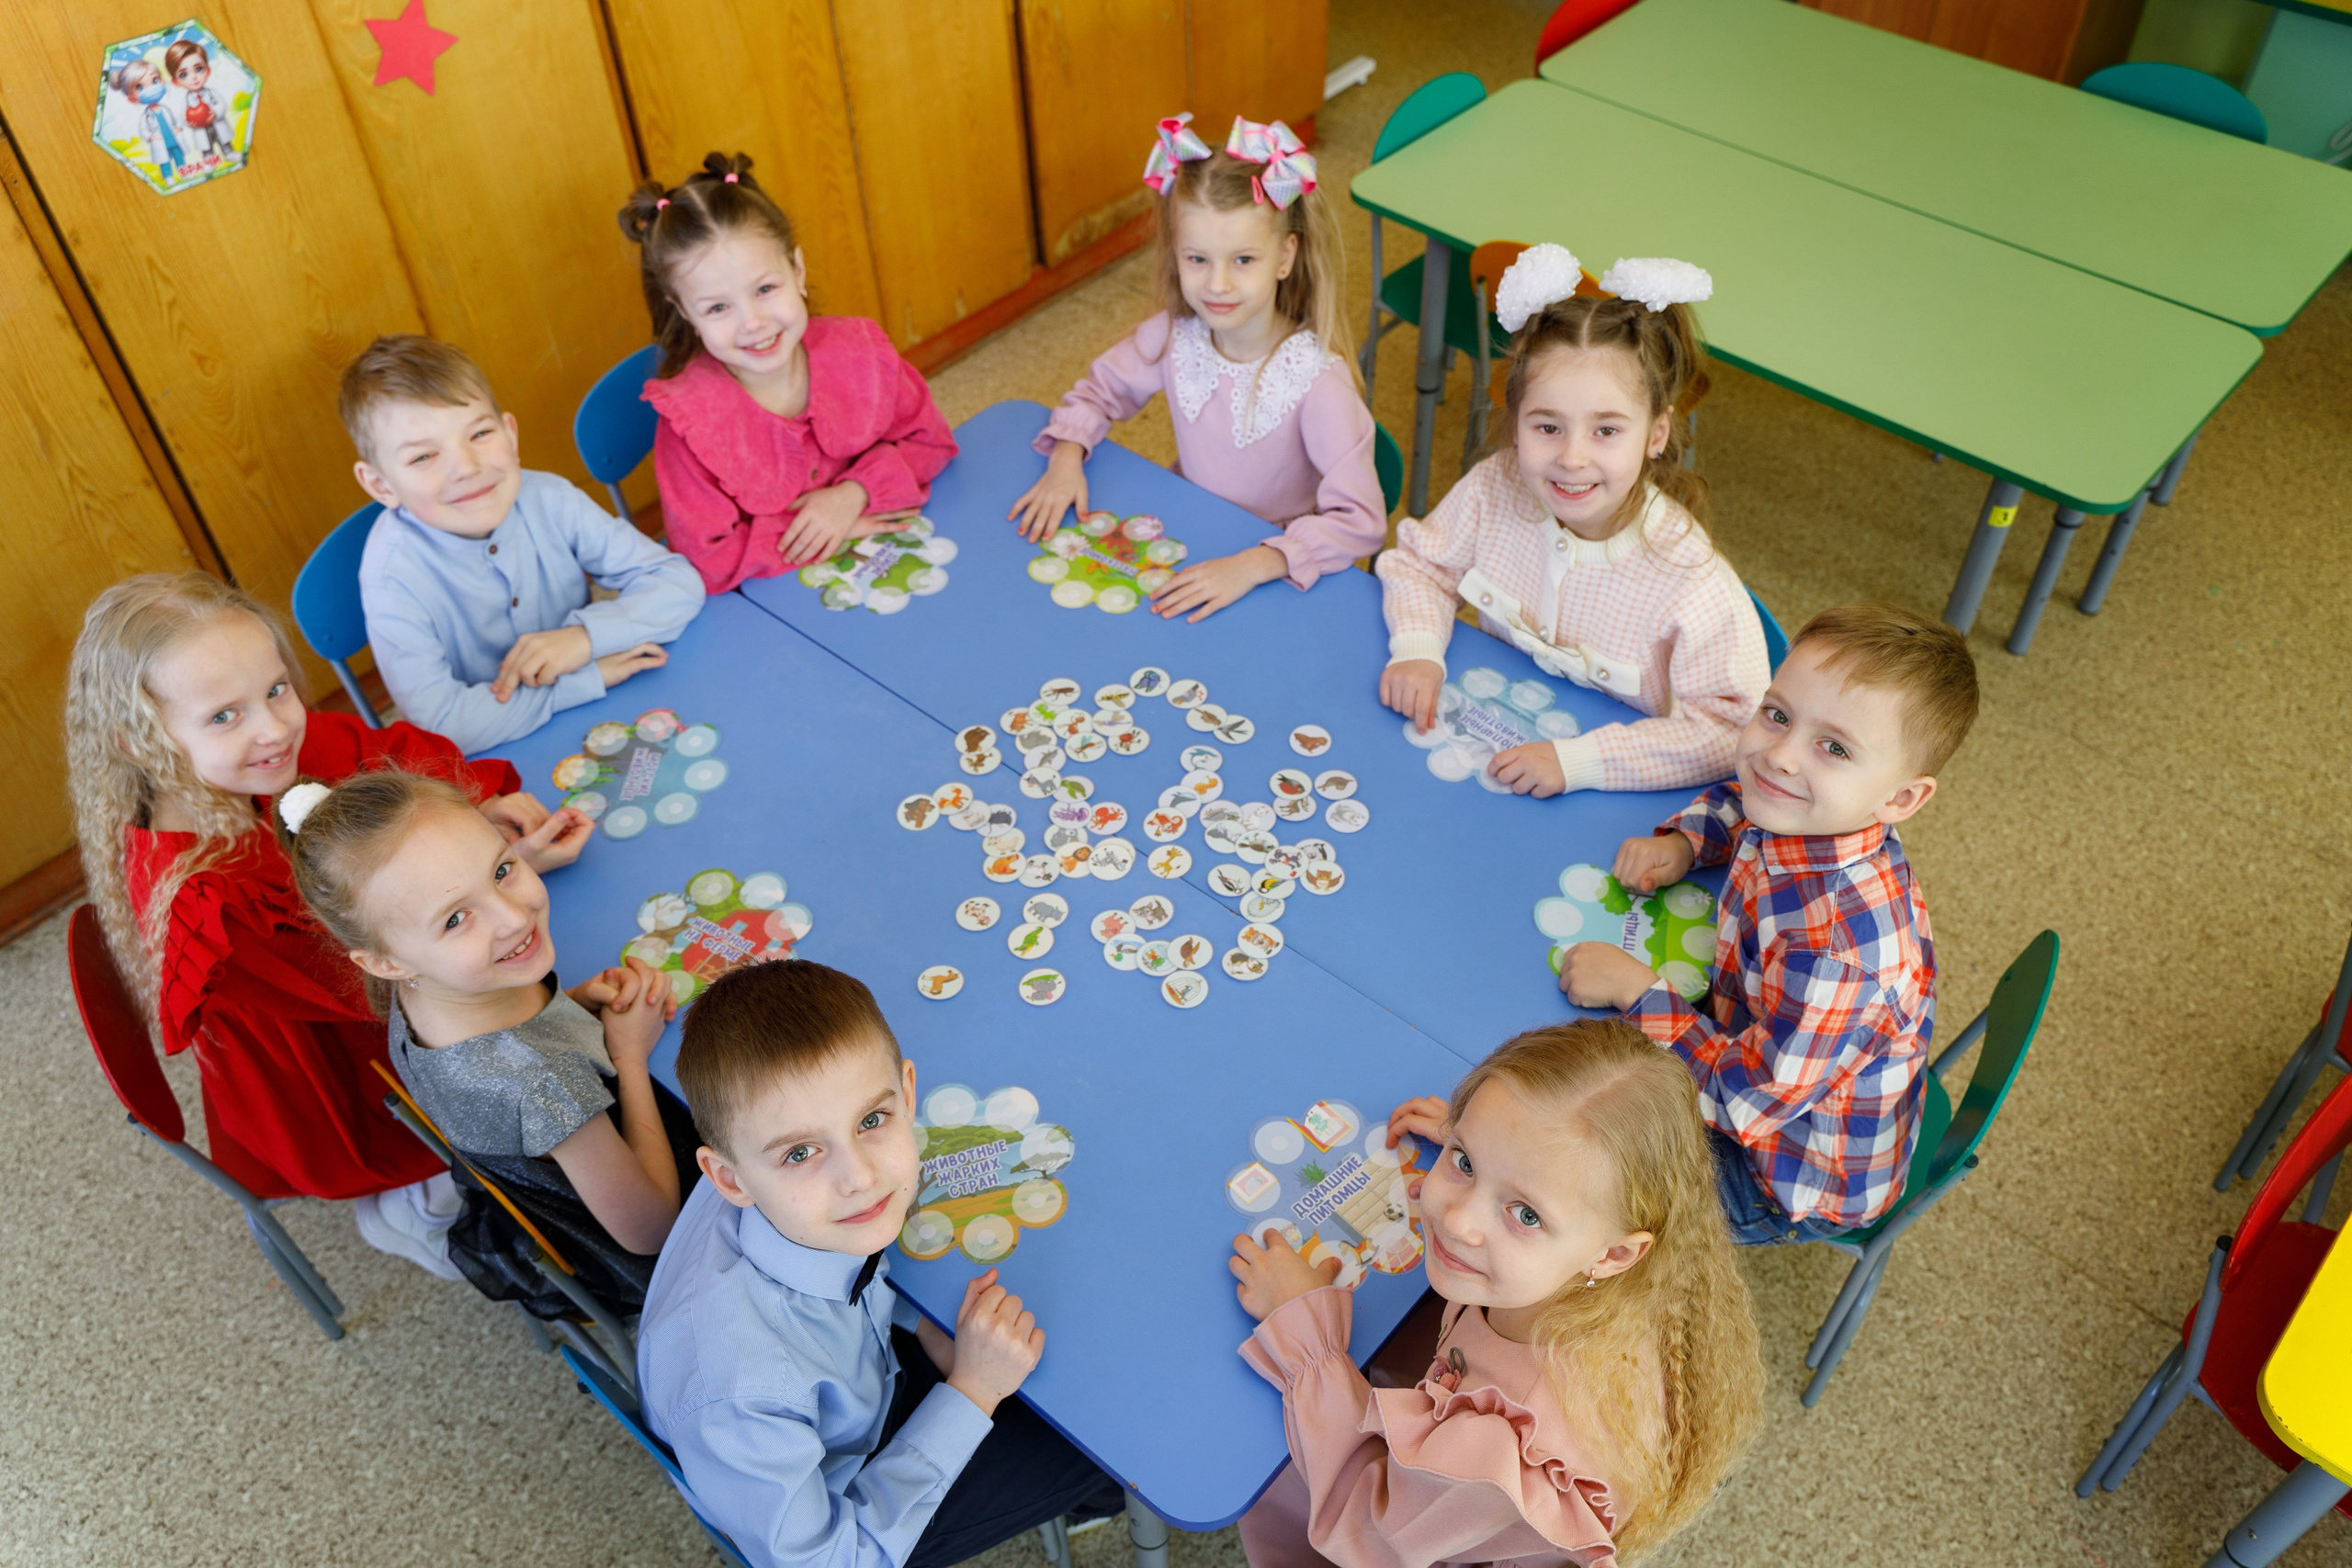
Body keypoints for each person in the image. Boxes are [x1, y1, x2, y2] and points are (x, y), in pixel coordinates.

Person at [65, 572, 588, 1275]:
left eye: (277, 689)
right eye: (225, 715)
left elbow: (385, 762)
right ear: (140, 741)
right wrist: (474, 889)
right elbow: (370, 989)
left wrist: (474, 818)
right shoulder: (206, 901)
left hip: (382, 973)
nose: (274, 728)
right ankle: (411, 1207)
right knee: (509, 1089)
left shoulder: (266, 756)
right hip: (345, 1070)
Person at [638, 961, 1125, 1568]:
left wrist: (920, 1330)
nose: (861, 1178)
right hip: (845, 1500)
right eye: (801, 1153)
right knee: (1111, 1445)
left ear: (908, 1090)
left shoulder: (787, 1190)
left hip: (857, 1374)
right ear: (728, 1178)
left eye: (873, 1120)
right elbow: (829, 1560)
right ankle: (1096, 1500)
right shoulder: (737, 1389)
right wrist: (971, 1392)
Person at [1229, 1021, 1763, 1568]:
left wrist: (1306, 1336)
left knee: (1256, 1458)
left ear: (1612, 1254)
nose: (1457, 1220)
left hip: (1408, 1531)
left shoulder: (1503, 1453)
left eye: (1526, 1213)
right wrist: (1500, 1154)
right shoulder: (1617, 1274)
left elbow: (1368, 1531)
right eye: (1463, 1160)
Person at [1559, 603, 1979, 1245]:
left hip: (1777, 1174)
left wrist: (1637, 993)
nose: (1778, 755)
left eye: (1833, 747)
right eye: (1777, 714)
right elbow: (1743, 799)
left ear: (1900, 799)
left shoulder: (1837, 955)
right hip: (1755, 1042)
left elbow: (1740, 1102)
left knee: (1573, 1187)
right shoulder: (1807, 806)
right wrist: (1687, 844)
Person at [276, 767, 699, 1303]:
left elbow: (508, 1053)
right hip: (655, 1251)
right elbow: (653, 1230)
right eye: (455, 919)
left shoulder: (425, 991)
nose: (512, 917)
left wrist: (571, 1007)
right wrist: (629, 1054)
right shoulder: (545, 1085)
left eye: (501, 869)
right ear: (383, 961)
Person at [1376, 244, 1770, 796]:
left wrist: (1584, 762)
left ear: (1656, 434)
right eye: (1547, 427)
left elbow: (1733, 730)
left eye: (1606, 430)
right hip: (1481, 751)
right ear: (1515, 422)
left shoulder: (1691, 578)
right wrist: (1418, 648)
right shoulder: (1496, 485)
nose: (1573, 458)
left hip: (1602, 788)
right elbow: (1419, 565)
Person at [1010, 113, 1382, 624]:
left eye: (1244, 260)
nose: (1218, 285)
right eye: (1198, 259)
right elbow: (1099, 393)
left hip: (1275, 567)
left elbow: (1360, 521)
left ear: (1285, 256)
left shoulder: (1318, 385)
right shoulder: (1173, 336)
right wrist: (1066, 457)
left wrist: (1256, 563)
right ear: (1176, 254)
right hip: (1187, 539)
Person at [345, 333, 705, 754]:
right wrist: (582, 679)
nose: (466, 467)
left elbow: (678, 583)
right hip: (500, 748)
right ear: (380, 484)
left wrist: (583, 640)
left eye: (479, 433)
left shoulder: (549, 497)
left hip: (605, 710)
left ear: (510, 436)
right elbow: (442, 724)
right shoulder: (391, 578)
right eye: (423, 457)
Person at [620, 153, 958, 594]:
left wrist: (853, 493)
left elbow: (931, 441)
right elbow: (706, 559)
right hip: (773, 603)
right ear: (684, 311)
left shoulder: (858, 351)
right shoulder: (688, 424)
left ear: (797, 270)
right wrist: (821, 529)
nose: (753, 323)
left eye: (765, 289)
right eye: (718, 307)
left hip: (890, 559)